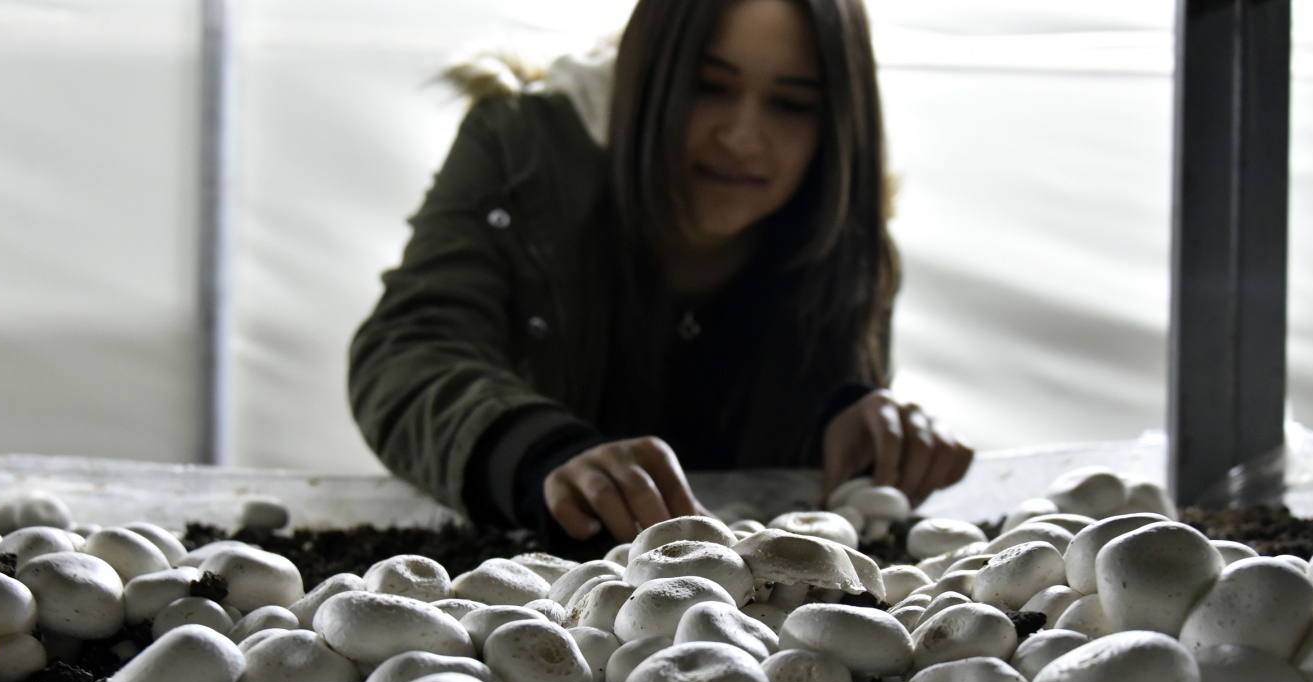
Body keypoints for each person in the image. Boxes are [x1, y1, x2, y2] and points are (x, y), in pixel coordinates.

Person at [348, 0, 973, 550]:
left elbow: (821, 453)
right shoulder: (519, 153)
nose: (742, 137)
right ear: (645, 75)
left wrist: (857, 413)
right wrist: (540, 456)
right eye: (708, 86)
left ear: (838, 123)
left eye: (791, 104)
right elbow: (410, 348)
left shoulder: (845, 232)